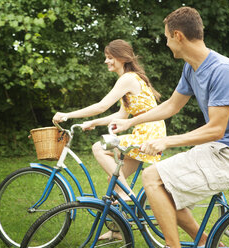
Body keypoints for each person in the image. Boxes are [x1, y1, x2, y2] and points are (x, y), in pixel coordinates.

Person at [110, 7, 229, 248]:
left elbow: (216, 129)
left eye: (167, 37)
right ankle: (208, 244)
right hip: (217, 149)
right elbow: (171, 105)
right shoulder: (191, 67)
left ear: (178, 35)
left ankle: (173, 245)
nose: (167, 43)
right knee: (159, 188)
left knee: (152, 178)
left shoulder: (222, 70)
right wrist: (131, 121)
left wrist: (167, 141)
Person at [53, 39, 166, 240]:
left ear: (122, 58)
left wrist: (68, 115)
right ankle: (117, 231)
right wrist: (94, 123)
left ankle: (125, 196)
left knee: (98, 147)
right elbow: (122, 116)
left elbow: (101, 105)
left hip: (147, 134)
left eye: (110, 57)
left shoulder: (128, 78)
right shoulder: (131, 80)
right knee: (113, 178)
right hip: (147, 133)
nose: (106, 61)